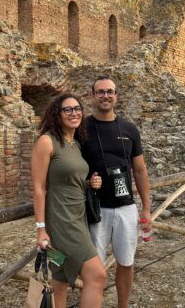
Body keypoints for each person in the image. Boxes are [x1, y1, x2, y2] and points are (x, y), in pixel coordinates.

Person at [81, 76, 152, 308]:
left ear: (116, 96)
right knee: (94, 267)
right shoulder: (82, 128)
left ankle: (123, 305)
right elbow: (71, 166)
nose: (105, 96)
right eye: (100, 92)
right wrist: (87, 181)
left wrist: (147, 209)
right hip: (95, 209)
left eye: (110, 92)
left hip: (125, 207)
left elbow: (140, 170)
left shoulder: (130, 129)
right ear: (93, 96)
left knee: (126, 262)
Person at [31, 93, 107, 308]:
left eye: (77, 108)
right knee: (97, 276)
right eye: (68, 109)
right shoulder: (47, 141)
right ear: (57, 113)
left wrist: (89, 183)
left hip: (78, 215)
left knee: (60, 280)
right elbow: (38, 187)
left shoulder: (74, 143)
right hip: (62, 220)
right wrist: (40, 228)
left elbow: (68, 180)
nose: (74, 113)